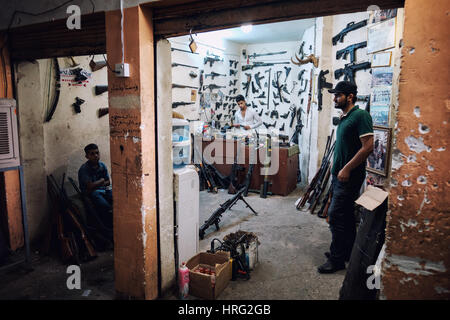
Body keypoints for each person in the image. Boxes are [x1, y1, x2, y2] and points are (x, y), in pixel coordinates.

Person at [318, 81, 374, 274]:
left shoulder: (360, 116)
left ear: (350, 96)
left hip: (348, 177)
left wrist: (347, 168)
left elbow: (368, 147)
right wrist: (337, 167)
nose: (334, 98)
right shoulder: (344, 117)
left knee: (335, 216)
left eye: (338, 95)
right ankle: (347, 252)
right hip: (339, 175)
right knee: (347, 216)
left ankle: (336, 260)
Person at [78, 143, 113, 227]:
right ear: (87, 156)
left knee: (114, 195)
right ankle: (107, 225)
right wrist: (101, 180)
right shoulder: (84, 169)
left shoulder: (102, 166)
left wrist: (97, 184)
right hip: (90, 192)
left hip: (102, 190)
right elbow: (90, 187)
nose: (96, 155)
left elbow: (108, 182)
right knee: (105, 206)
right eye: (92, 154)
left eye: (97, 153)